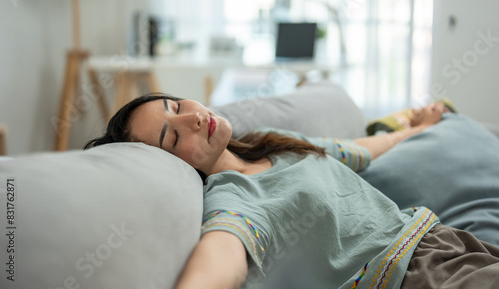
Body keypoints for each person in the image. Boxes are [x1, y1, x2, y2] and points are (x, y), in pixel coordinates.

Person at [85, 93, 499, 289]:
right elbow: (222, 255)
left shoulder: (273, 139)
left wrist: (419, 129)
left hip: (445, 242)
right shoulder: (234, 196)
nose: (192, 119)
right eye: (172, 138)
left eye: (176, 106)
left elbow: (361, 151)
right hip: (409, 276)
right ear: (177, 165)